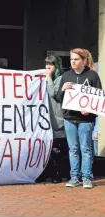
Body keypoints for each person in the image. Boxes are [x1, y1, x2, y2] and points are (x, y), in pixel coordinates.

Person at [56, 48, 102, 189]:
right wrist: (63, 89)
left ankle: (86, 177)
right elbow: (58, 98)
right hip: (70, 118)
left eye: (76, 59)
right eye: (71, 59)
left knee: (86, 149)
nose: (73, 62)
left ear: (84, 60)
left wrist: (89, 110)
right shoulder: (66, 76)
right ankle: (74, 177)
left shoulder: (93, 76)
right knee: (73, 149)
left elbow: (99, 99)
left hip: (85, 121)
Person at [39, 55, 69, 183]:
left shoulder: (60, 79)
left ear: (56, 66)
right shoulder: (45, 78)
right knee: (49, 149)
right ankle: (50, 172)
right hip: (47, 119)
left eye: (50, 65)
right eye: (46, 65)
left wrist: (49, 77)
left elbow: (53, 93)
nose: (47, 68)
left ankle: (59, 173)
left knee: (59, 149)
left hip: (58, 120)